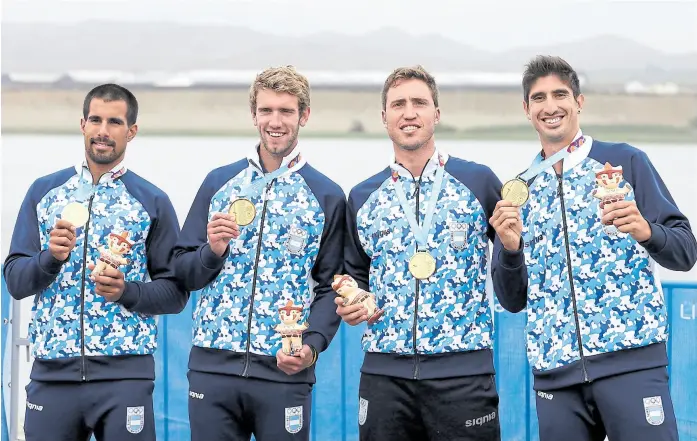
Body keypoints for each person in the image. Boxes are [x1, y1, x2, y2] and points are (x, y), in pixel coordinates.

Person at [490, 55, 697, 441]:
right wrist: (510, 251)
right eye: (538, 98)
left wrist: (647, 231)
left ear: (579, 101)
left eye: (560, 94)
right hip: (556, 374)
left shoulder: (625, 162)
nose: (550, 106)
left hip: (631, 363)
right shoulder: (519, 190)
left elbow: (685, 252)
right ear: (526, 109)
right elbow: (512, 300)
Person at [3, 83, 189, 441]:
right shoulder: (45, 192)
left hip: (125, 378)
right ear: (83, 124)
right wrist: (49, 259)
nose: (103, 131)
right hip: (53, 374)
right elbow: (15, 280)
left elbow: (175, 293)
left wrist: (126, 292)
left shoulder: (152, 201)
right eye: (96, 120)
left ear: (131, 131)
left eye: (115, 122)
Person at [172, 65, 345, 441]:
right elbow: (183, 272)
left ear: (304, 116)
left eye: (286, 111)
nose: (275, 121)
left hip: (284, 373)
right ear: (254, 115)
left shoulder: (327, 195)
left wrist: (311, 347)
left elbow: (333, 287)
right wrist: (212, 252)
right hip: (212, 369)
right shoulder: (219, 183)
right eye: (266, 110)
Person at [338, 65, 502, 441]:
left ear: (436, 114)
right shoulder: (362, 196)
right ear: (384, 118)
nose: (408, 112)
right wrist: (349, 303)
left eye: (419, 103)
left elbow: (512, 267)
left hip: (463, 375)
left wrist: (511, 252)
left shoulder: (479, 181)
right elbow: (354, 276)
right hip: (384, 376)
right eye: (398, 104)